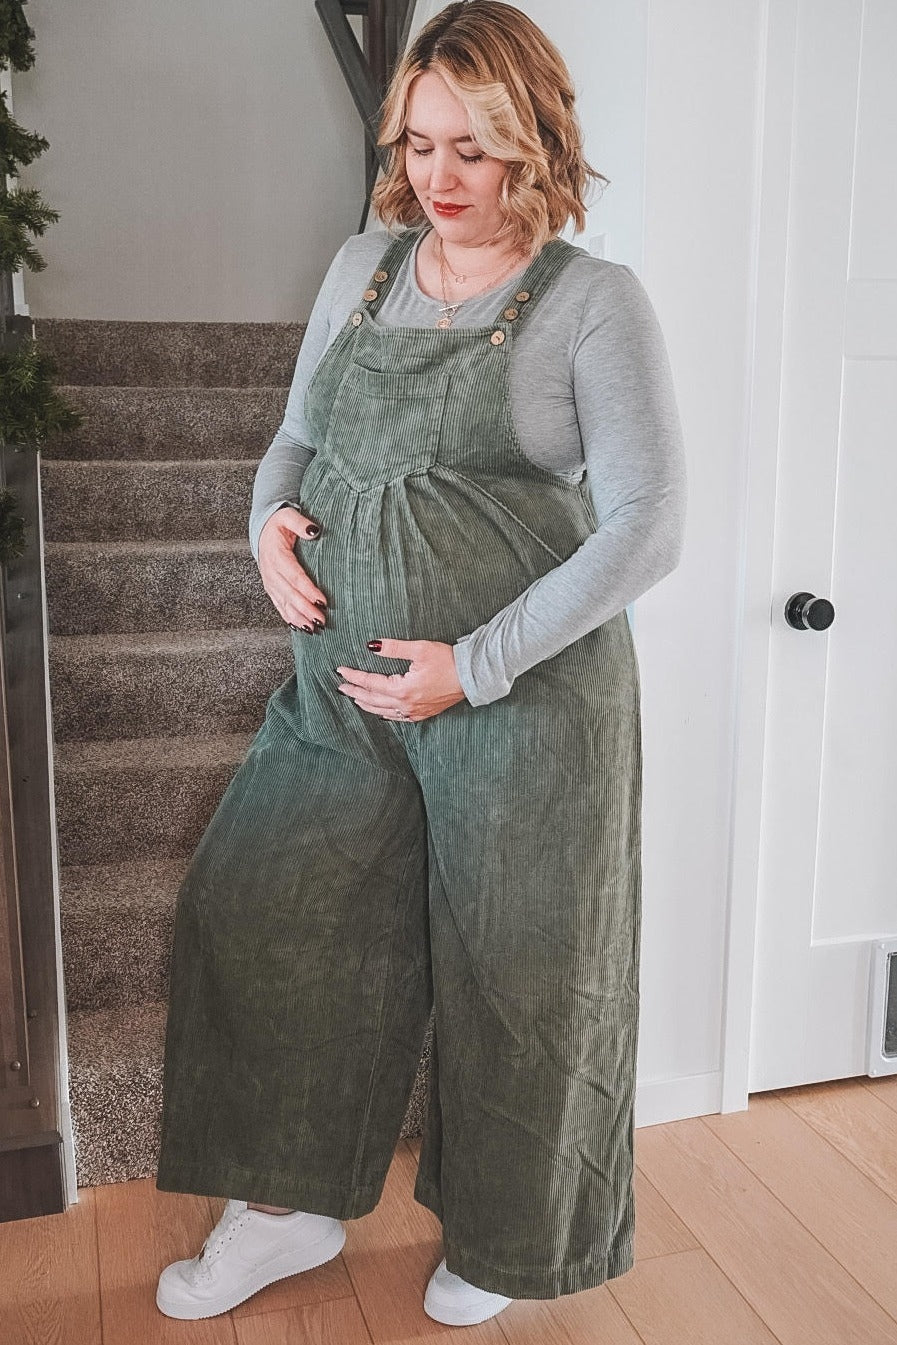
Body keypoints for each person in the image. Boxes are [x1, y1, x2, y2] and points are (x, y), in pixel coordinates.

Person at [154, 0, 687, 1328]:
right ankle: (287, 1209)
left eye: (474, 149)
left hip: (526, 703)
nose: (439, 178)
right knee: (265, 911)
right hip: (341, 695)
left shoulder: (592, 304)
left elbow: (648, 526)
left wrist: (477, 665)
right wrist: (264, 525)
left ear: (534, 142)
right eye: (419, 143)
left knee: (520, 970)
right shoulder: (362, 268)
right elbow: (296, 438)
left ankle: (506, 1237)